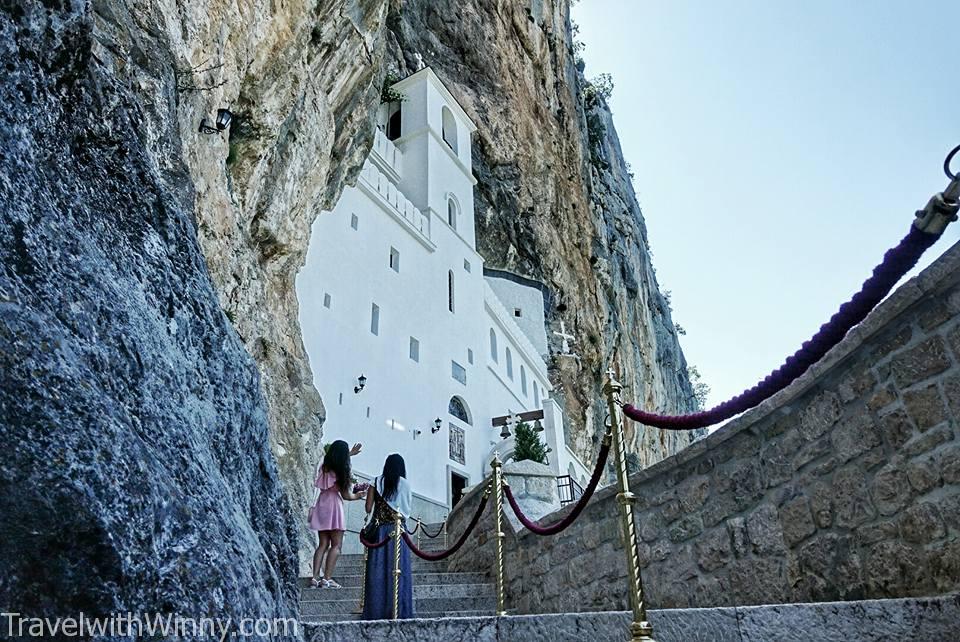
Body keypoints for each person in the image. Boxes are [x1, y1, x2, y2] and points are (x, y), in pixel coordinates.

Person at [362, 453, 414, 619]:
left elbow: (368, 508)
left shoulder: (375, 482)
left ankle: (376, 611)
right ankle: (399, 610)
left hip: (380, 532)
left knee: (378, 571)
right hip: (398, 532)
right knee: (399, 570)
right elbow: (406, 510)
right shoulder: (404, 484)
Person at [309, 440, 363, 589]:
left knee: (322, 544)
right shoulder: (342, 471)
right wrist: (359, 495)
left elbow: (335, 459)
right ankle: (327, 578)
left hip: (322, 504)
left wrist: (349, 454)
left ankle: (314, 577)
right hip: (334, 507)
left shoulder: (325, 467)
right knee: (336, 545)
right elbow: (347, 496)